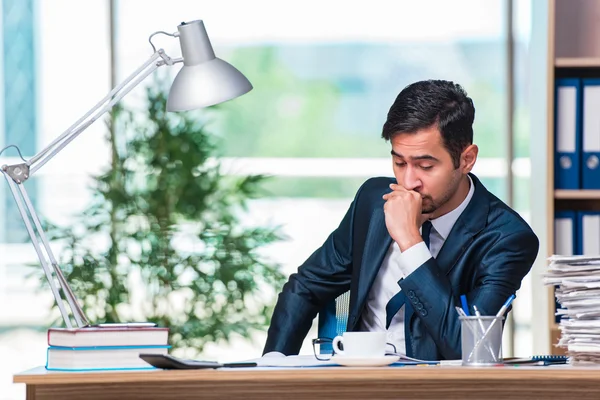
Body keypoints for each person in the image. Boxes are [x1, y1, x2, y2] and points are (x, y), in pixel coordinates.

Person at [263, 80, 539, 361]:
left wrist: (410, 241)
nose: (408, 182)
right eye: (399, 162)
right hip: (356, 381)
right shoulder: (373, 202)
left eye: (425, 166)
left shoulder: (507, 238)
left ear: (466, 159)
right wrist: (271, 367)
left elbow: (471, 348)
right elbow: (307, 286)